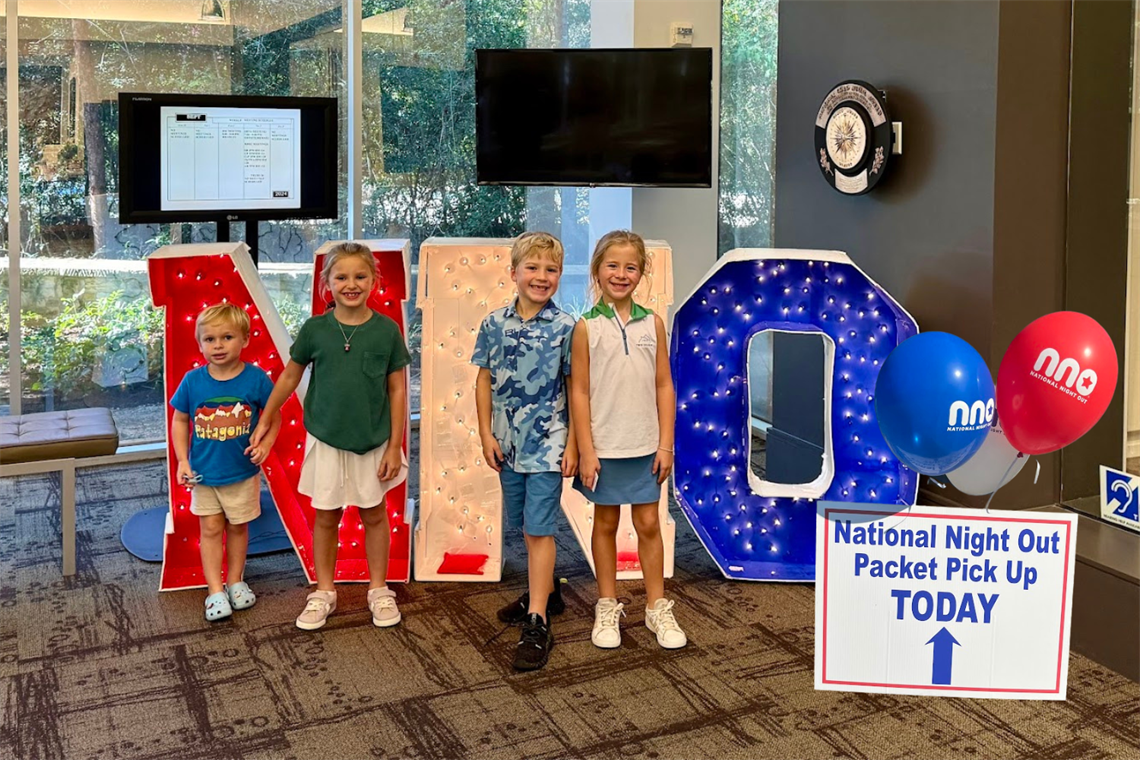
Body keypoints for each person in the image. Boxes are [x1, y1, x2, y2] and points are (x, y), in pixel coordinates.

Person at [250, 242, 410, 631]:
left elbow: (397, 390)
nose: (351, 284)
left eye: (360, 276)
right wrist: (267, 418)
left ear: (374, 280)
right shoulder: (315, 330)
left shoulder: (386, 330)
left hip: (374, 442)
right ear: (327, 284)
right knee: (326, 516)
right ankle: (324, 591)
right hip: (325, 439)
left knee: (374, 514)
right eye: (341, 277)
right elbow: (290, 375)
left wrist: (394, 445)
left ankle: (378, 589)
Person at [571, 230, 687, 650]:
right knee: (604, 523)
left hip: (646, 446)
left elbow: (663, 386)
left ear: (642, 273)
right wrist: (586, 449)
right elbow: (578, 391)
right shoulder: (585, 328)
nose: (621, 274)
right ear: (598, 271)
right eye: (613, 266)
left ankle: (657, 607)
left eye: (631, 267)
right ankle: (607, 604)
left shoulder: (652, 323)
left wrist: (666, 443)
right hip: (603, 449)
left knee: (649, 523)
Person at [473, 231, 577, 671]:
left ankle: (537, 619)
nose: (541, 276)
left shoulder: (568, 328)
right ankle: (548, 591)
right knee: (520, 522)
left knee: (539, 528)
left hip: (549, 443)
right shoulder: (493, 324)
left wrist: (572, 443)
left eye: (550, 269)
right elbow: (483, 378)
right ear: (513, 272)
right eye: (532, 268)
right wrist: (484, 433)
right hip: (506, 443)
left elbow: (575, 387)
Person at [172, 303, 280, 622]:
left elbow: (274, 416)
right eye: (209, 339)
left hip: (242, 473)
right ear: (200, 343)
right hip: (204, 475)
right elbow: (179, 420)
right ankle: (215, 590)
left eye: (227, 337)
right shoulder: (193, 382)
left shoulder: (257, 379)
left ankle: (235, 580)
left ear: (245, 339)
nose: (217, 345)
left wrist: (267, 445)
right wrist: (182, 461)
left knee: (237, 527)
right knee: (210, 528)